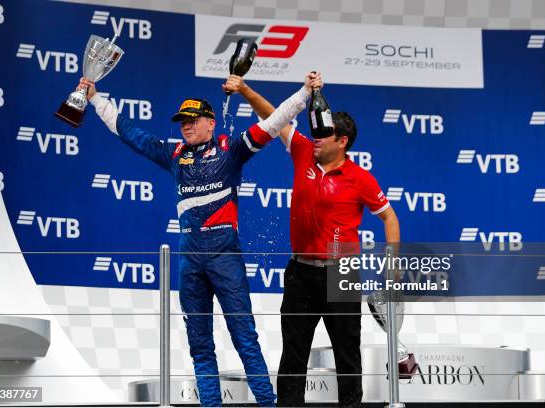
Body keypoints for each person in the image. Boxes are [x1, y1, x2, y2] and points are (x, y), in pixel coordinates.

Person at [77, 72, 322, 407]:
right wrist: (94, 99)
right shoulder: (174, 152)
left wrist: (304, 93)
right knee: (200, 346)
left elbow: (274, 122)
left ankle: (267, 403)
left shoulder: (231, 149)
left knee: (245, 339)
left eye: (193, 121)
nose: (186, 127)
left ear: (210, 122)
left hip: (225, 259)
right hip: (190, 263)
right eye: (182, 122)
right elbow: (130, 133)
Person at [224, 74, 400, 407]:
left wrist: (391, 267)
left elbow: (390, 218)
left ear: (343, 141)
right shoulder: (303, 151)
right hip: (301, 272)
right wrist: (245, 89)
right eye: (315, 131)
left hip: (342, 271)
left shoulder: (360, 179)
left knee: (347, 356)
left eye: (324, 134)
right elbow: (273, 116)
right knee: (293, 356)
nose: (315, 137)